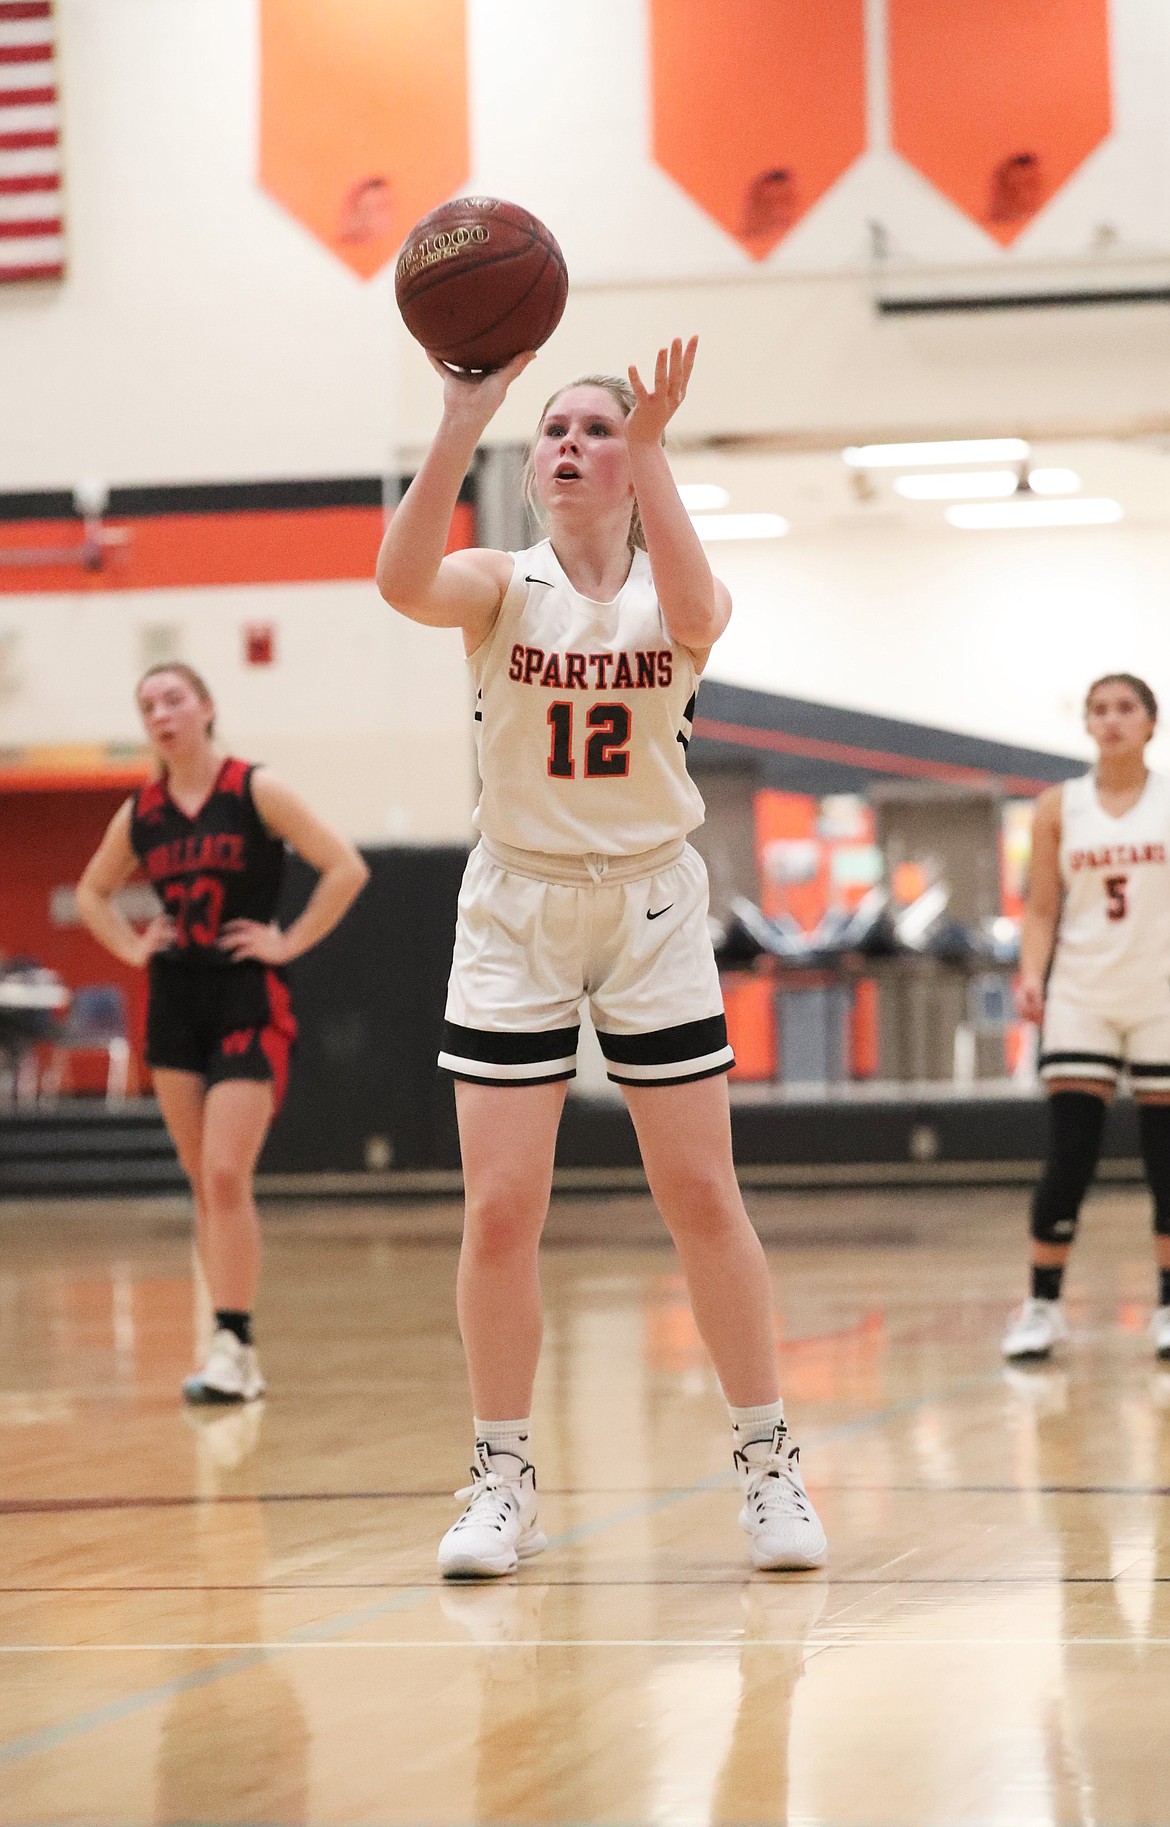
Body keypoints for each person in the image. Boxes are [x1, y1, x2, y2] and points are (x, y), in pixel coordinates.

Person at [376, 337, 827, 1576]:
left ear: (632, 465)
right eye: (558, 432)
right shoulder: (498, 584)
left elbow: (697, 618)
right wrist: (467, 418)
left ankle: (769, 1463)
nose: (570, 443)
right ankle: (501, 1477)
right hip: (515, 907)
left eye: (597, 430)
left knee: (700, 1199)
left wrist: (663, 448)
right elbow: (398, 579)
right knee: (502, 1208)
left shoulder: (667, 590)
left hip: (650, 909)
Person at [76, 664, 369, 1402]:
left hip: (247, 994)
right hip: (175, 1002)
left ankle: (234, 1340)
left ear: (206, 708)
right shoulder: (141, 811)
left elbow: (345, 867)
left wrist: (289, 939)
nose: (161, 712)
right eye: (148, 704)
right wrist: (129, 945)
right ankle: (228, 1347)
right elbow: (91, 890)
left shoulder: (252, 789)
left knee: (225, 1173)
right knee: (204, 1186)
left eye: (173, 698)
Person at [1003, 672, 1170, 1362]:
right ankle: (1042, 1304)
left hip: (1160, 991)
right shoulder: (1057, 806)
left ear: (1151, 723)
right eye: (1099, 709)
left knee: (1167, 1158)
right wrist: (1031, 975)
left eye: (1125, 707)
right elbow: (1042, 907)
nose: (1110, 719)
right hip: (1081, 993)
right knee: (1070, 1153)